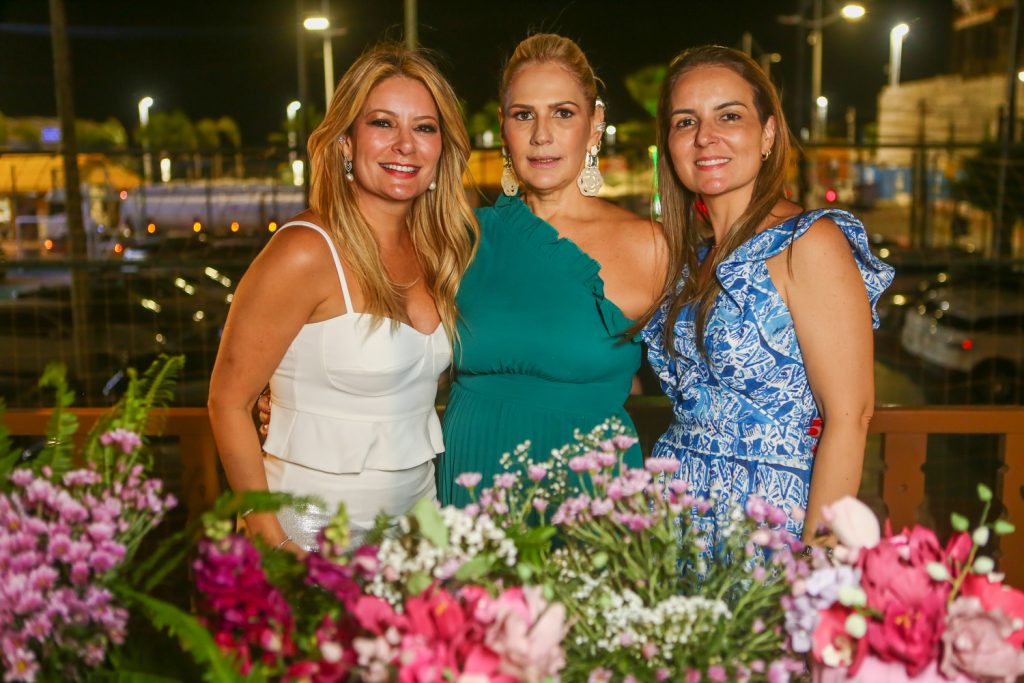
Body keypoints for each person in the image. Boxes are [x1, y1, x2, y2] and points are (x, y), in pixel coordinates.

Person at [208, 43, 478, 553]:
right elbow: (227, 401)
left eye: (424, 127)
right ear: (346, 143)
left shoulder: (440, 251)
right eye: (382, 123)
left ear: (442, 148)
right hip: (310, 536)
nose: (405, 144)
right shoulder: (304, 251)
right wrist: (272, 543)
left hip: (418, 531)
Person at [641, 45, 894, 545]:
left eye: (729, 116)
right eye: (685, 121)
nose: (705, 136)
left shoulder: (808, 243)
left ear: (768, 134)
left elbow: (850, 417)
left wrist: (817, 558)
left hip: (770, 525)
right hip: (676, 518)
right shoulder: (690, 260)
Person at [436, 34, 668, 506]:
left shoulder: (651, 246)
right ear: (503, 127)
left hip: (588, 499)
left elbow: (711, 379)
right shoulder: (461, 239)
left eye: (563, 113)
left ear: (595, 123)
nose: (541, 135)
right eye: (524, 115)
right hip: (470, 488)